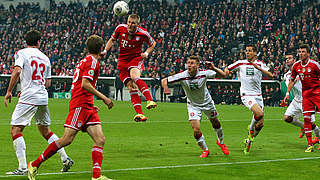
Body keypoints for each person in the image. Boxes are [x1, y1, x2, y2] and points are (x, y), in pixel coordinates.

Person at [27, 35, 114, 180]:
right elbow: (85, 84)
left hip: (87, 106)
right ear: (100, 48)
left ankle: (96, 176)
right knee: (66, 139)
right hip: (80, 105)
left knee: (100, 139)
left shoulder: (87, 60)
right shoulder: (92, 62)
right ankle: (34, 164)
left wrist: (91, 104)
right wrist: (104, 98)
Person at [4, 30, 73, 175]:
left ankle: (22, 167)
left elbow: (17, 71)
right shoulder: (45, 58)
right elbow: (47, 83)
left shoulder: (21, 53)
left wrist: (9, 91)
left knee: (15, 130)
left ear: (26, 42)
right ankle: (65, 158)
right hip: (42, 96)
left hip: (30, 96)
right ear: (38, 42)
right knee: (45, 131)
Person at [162, 56, 229, 158]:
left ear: (198, 65)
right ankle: (205, 150)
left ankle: (220, 141)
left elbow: (224, 75)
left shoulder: (204, 73)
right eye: (188, 63)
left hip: (207, 103)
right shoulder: (182, 75)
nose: (189, 65)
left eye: (192, 63)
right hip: (193, 105)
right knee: (196, 130)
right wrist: (166, 88)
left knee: (215, 122)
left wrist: (213, 68)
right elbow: (164, 80)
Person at [103, 14, 157, 122]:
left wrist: (146, 53)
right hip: (122, 61)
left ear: (137, 24)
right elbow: (112, 40)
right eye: (129, 22)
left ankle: (150, 100)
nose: (130, 25)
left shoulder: (143, 33)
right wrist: (105, 50)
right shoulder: (120, 28)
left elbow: (153, 43)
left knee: (134, 77)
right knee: (131, 87)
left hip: (136, 58)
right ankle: (140, 114)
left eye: (133, 23)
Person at [224, 44, 273, 154]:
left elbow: (271, 75)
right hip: (246, 94)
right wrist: (226, 71)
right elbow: (228, 68)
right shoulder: (240, 63)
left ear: (255, 53)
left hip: (258, 95)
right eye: (246, 51)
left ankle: (248, 141)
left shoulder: (261, 64)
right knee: (259, 114)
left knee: (260, 124)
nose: (247, 53)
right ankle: (250, 128)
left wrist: (259, 68)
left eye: (250, 51)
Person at [284, 44, 320, 152]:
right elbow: (291, 80)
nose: (301, 54)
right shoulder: (295, 67)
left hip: (316, 94)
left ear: (308, 53)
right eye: (299, 52)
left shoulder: (315, 65)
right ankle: (310, 145)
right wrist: (287, 93)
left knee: (311, 123)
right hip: (303, 97)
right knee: (304, 120)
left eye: (303, 52)